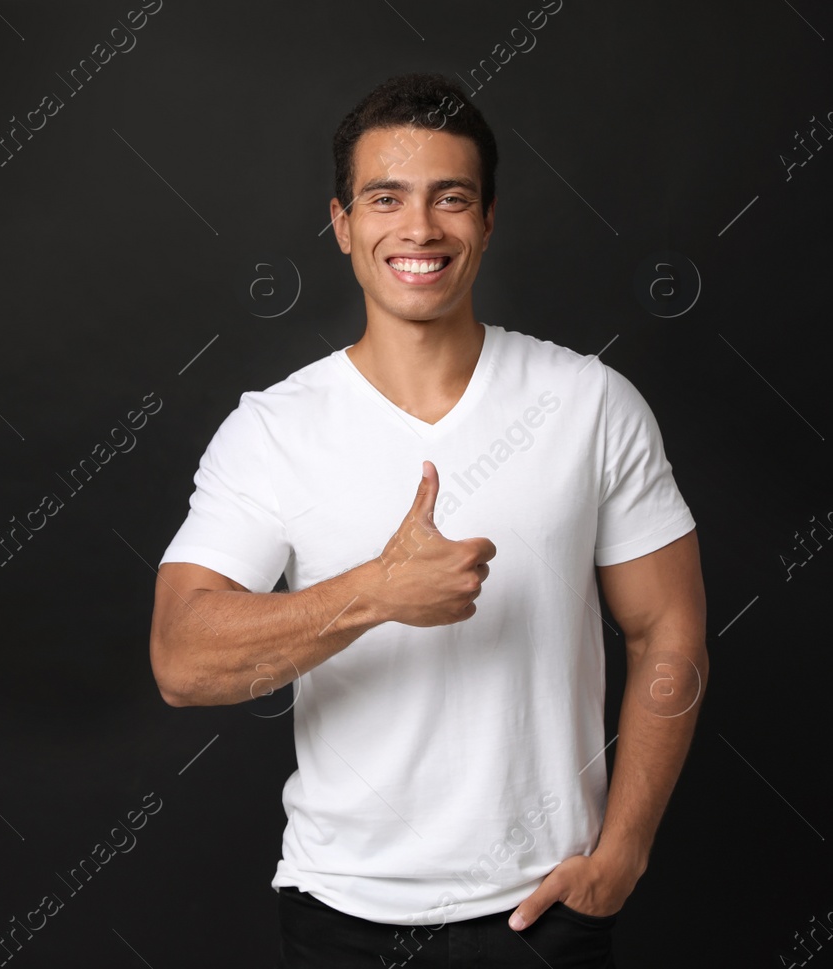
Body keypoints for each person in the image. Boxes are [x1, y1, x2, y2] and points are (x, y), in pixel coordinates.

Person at [147, 73, 707, 968]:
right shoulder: (273, 430)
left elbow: (669, 629)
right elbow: (181, 659)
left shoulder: (590, 402)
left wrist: (624, 852)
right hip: (339, 913)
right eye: (386, 199)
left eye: (452, 199)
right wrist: (375, 592)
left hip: (544, 912)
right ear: (342, 224)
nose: (419, 229)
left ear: (487, 221)